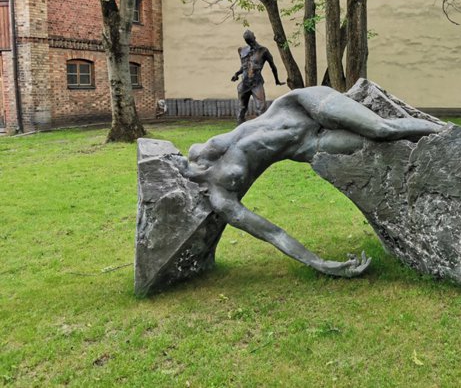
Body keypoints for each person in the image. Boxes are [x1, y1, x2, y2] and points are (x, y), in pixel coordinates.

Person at [181, 86, 444, 278]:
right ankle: (447, 150)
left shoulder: (198, 152)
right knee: (376, 144)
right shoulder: (221, 199)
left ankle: (453, 133)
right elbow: (274, 233)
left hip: (300, 105)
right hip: (310, 144)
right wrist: (320, 263)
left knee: (382, 129)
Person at [232, 29, 285, 123]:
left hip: (256, 83)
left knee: (261, 108)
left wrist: (277, 80)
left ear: (254, 37)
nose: (249, 42)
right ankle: (239, 129)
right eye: (247, 40)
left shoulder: (263, 51)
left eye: (250, 39)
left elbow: (273, 66)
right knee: (241, 109)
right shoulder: (242, 50)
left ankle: (262, 128)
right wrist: (236, 74)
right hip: (244, 84)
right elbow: (244, 67)